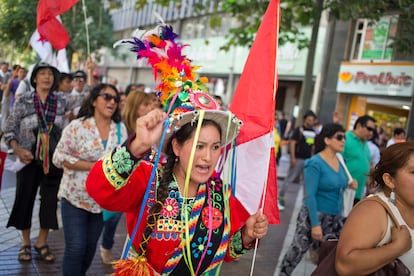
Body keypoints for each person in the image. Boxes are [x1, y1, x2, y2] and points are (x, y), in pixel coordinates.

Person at [86, 23, 268, 275]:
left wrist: (246, 236)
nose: (208, 156)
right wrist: (137, 145)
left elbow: (222, 250)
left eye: (215, 147)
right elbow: (98, 190)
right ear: (177, 146)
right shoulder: (148, 179)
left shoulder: (219, 193)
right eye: (200, 146)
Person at [3, 62, 77, 262]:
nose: (47, 77)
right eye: (42, 73)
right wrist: (17, 149)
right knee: (24, 199)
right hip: (27, 160)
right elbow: (9, 128)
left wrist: (88, 71)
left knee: (50, 202)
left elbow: (86, 99)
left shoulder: (61, 100)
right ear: (34, 78)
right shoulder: (24, 100)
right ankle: (25, 242)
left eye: (50, 74)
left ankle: (41, 241)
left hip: (54, 161)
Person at [52, 83, 127, 275]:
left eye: (115, 99)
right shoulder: (77, 126)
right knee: (76, 248)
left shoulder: (120, 129)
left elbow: (123, 162)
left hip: (102, 202)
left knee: (88, 251)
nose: (112, 101)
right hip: (74, 198)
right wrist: (92, 166)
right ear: (94, 100)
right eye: (107, 97)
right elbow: (58, 157)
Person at [279, 123, 357, 275]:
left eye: (344, 137)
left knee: (329, 259)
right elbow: (310, 196)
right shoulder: (315, 163)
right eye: (339, 137)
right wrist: (315, 224)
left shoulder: (342, 161)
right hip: (313, 215)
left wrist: (350, 184)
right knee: (296, 253)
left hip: (335, 218)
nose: (343, 141)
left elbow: (337, 184)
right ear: (327, 140)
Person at [335, 141, 414, 275]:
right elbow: (344, 265)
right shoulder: (374, 210)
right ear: (389, 180)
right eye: (413, 172)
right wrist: (396, 248)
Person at [278, 110, 317, 211]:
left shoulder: (313, 132)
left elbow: (312, 146)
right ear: (305, 120)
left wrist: (312, 158)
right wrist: (293, 158)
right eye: (309, 119)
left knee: (306, 182)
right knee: (290, 178)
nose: (311, 122)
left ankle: (306, 204)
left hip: (308, 160)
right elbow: (292, 143)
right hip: (298, 158)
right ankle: (280, 197)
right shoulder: (299, 130)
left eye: (312, 120)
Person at [343, 115, 376, 204]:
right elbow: (337, 163)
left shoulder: (366, 145)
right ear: (358, 126)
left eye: (373, 130)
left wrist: (370, 185)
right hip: (344, 190)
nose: (371, 133)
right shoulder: (345, 139)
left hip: (358, 193)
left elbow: (367, 166)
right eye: (369, 129)